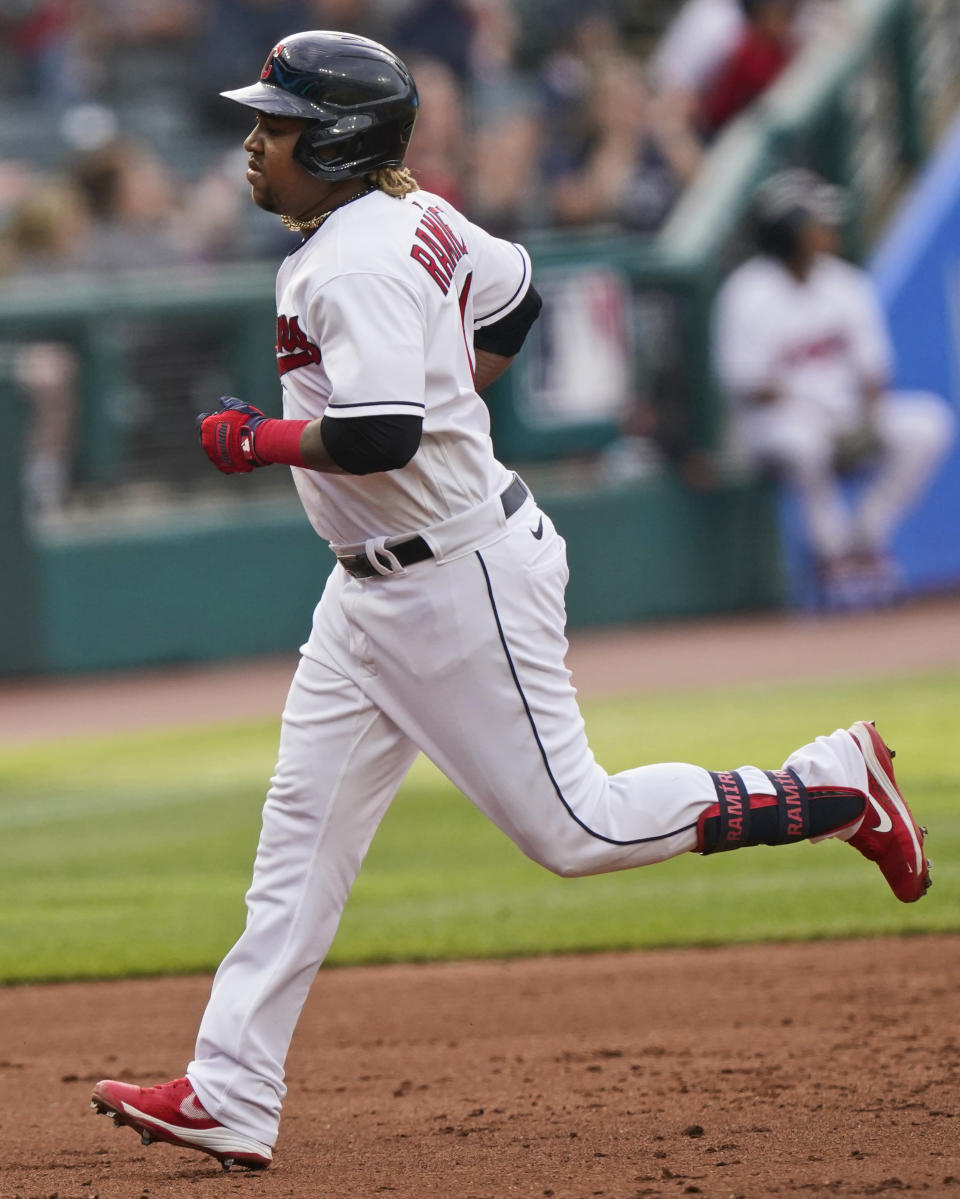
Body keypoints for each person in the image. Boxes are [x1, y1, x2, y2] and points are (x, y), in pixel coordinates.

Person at [90, 33, 932, 1173]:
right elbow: (517, 291)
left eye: (275, 124)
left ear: (335, 142)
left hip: (455, 577)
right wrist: (452, 392)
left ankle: (828, 784)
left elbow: (386, 431)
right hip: (373, 592)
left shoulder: (353, 261)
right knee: (300, 839)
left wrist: (257, 439)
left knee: (577, 828)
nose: (252, 140)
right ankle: (231, 1087)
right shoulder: (413, 217)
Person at [713, 167, 955, 607]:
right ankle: (832, 555)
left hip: (845, 417)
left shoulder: (845, 283)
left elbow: (873, 371)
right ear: (787, 232)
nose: (826, 231)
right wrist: (818, 411)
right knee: (803, 439)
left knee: (928, 422)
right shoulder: (747, 291)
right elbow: (746, 383)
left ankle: (866, 536)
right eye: (814, 224)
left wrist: (865, 416)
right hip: (774, 427)